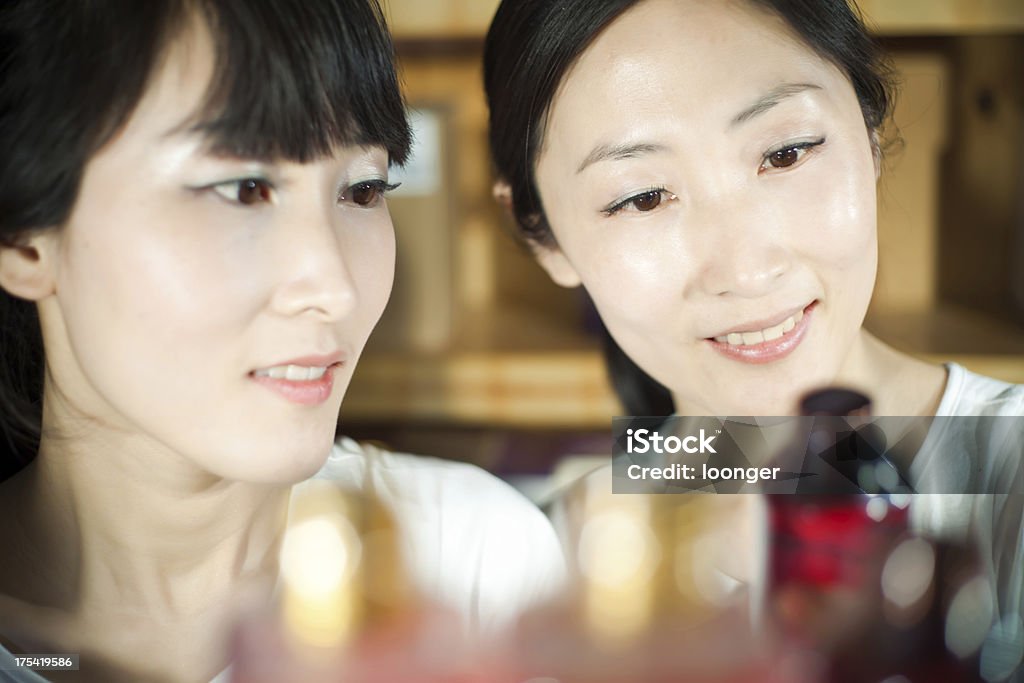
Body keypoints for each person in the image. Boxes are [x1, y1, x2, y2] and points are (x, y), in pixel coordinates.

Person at [0, 1, 564, 681]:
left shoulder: (472, 565)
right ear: (24, 240)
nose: (334, 286)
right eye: (243, 189)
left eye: (362, 189)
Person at [483, 0, 1023, 678]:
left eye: (785, 153)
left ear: (871, 131)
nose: (745, 270)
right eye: (644, 196)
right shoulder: (525, 563)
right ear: (543, 232)